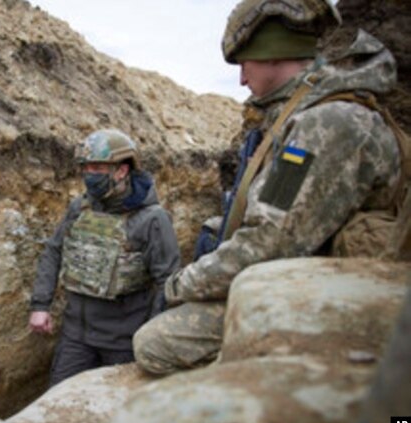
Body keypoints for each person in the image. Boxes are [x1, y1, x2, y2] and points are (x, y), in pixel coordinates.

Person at [133, 0, 406, 376]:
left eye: (245, 64)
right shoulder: (305, 116)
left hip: (332, 292)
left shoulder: (325, 124)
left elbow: (270, 242)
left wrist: (182, 285)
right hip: (309, 278)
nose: (242, 80)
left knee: (157, 343)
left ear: (274, 56)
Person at [29, 129, 180, 386]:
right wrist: (40, 305)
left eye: (97, 167)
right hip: (76, 336)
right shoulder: (80, 207)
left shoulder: (153, 219)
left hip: (123, 343)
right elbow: (54, 251)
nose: (89, 174)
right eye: (85, 168)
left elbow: (168, 281)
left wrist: (151, 337)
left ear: (121, 170)